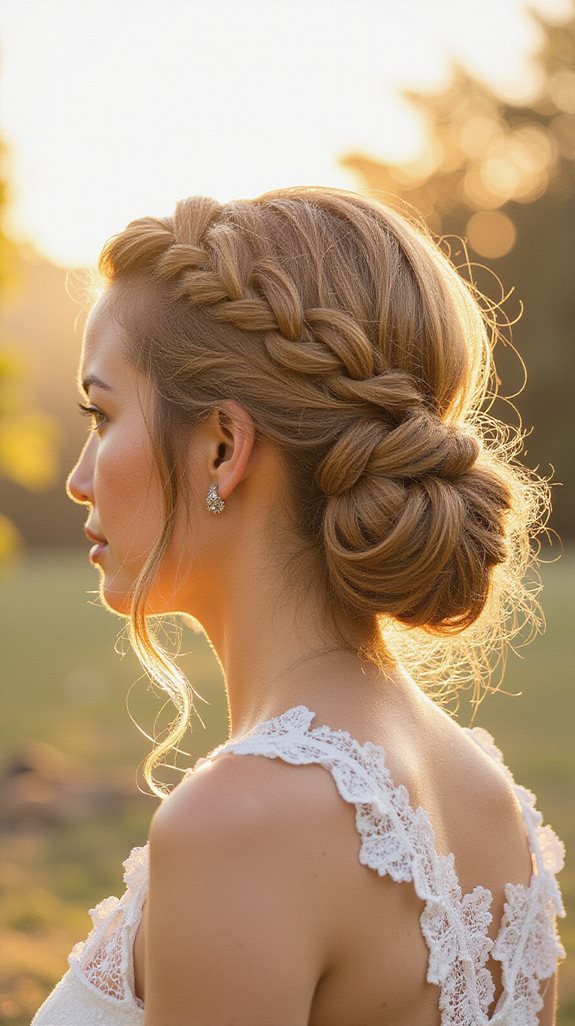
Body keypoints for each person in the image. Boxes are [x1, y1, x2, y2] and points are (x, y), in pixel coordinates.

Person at [31, 186, 565, 1026]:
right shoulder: (492, 803)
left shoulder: (239, 823)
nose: (79, 477)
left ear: (222, 447)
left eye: (102, 414)